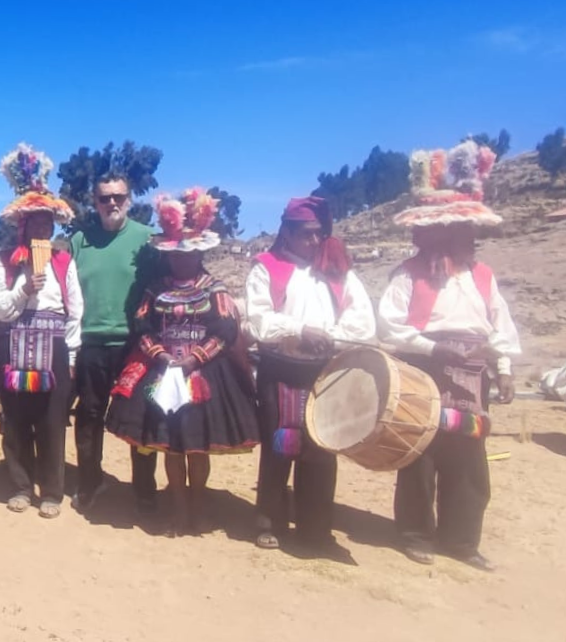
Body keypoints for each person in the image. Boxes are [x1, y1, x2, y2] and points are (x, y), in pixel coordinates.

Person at [378, 143, 519, 572]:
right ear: (437, 231)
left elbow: (501, 324)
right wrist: (432, 347)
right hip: (425, 370)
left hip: (473, 374)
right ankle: (416, 533)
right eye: (458, 230)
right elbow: (388, 327)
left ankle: (461, 540)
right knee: (422, 454)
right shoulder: (408, 274)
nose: (467, 238)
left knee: (468, 459)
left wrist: (506, 366)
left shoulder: (482, 276)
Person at [105, 188, 259, 536]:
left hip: (205, 375)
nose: (181, 261)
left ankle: (198, 508)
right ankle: (177, 508)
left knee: (196, 445)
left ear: (200, 253)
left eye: (188, 255)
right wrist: (160, 356)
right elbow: (142, 326)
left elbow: (224, 331)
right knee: (171, 445)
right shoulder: (155, 289)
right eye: (176, 255)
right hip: (163, 375)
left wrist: (194, 359)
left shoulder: (213, 289)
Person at [245, 196, 375, 552]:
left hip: (325, 371)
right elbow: (259, 319)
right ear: (286, 232)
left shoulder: (337, 271)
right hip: (281, 370)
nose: (313, 242)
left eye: (318, 234)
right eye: (305, 234)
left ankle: (315, 527)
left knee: (322, 447)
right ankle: (268, 520)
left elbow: (362, 318)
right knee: (279, 446)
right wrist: (301, 330)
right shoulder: (266, 268)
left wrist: (332, 335)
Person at [0, 145, 83, 519]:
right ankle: (20, 486)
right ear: (23, 226)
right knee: (15, 419)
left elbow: (75, 309)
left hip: (55, 346)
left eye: (48, 222)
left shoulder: (63, 260)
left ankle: (53, 492)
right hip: (15, 345)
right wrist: (24, 289)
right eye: (36, 222)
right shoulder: (4, 262)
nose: (43, 227)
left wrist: (72, 354)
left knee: (51, 421)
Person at [69, 172, 160, 515]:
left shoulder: (147, 239)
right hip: (90, 343)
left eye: (118, 196)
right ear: (94, 202)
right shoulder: (80, 240)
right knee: (89, 416)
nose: (112, 203)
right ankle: (90, 482)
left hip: (136, 346)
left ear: (130, 199)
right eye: (104, 197)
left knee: (142, 418)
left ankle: (144, 489)